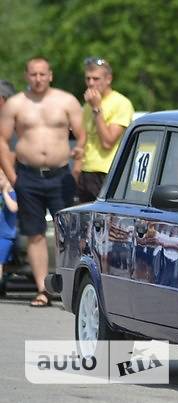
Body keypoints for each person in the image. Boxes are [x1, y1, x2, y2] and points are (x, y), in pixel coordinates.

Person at [0, 57, 86, 307]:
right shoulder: (15, 104)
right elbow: (3, 142)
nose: (38, 79)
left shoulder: (66, 101)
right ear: (27, 76)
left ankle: (67, 287)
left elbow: (82, 137)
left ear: (50, 75)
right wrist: (13, 177)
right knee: (35, 234)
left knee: (66, 234)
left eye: (42, 74)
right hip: (28, 175)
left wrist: (76, 169)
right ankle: (42, 290)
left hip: (60, 175)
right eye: (33, 74)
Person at [76, 57, 134, 202]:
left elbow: (108, 142)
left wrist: (97, 108)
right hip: (85, 172)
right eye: (87, 78)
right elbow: (84, 140)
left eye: (96, 79)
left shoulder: (121, 103)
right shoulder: (87, 105)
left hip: (107, 172)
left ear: (108, 79)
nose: (90, 83)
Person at [0, 169, 18, 297]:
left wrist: (5, 192)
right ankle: (3, 285)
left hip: (6, 235)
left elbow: (13, 208)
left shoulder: (12, 194)